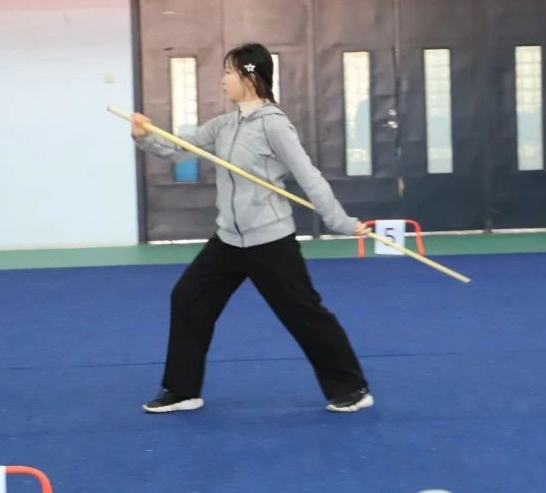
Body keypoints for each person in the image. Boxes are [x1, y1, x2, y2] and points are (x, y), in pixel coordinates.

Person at [132, 43, 373, 414]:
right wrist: (144, 136)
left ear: (250, 77)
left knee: (304, 314)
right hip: (228, 240)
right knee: (189, 298)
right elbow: (181, 148)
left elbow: (309, 178)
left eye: (229, 72)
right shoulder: (225, 125)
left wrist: (341, 222)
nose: (222, 79)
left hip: (270, 241)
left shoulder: (274, 125)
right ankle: (182, 390)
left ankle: (352, 389)